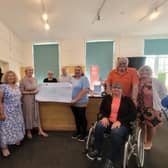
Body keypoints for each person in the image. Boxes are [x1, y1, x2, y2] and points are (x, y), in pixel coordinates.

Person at [86, 83, 137, 168]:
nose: (116, 89)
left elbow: (133, 114)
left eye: (119, 88)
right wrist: (104, 117)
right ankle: (97, 150)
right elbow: (101, 110)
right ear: (111, 89)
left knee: (116, 132)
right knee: (99, 126)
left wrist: (120, 121)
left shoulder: (127, 100)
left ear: (122, 90)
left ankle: (111, 159)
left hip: (123, 124)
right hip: (109, 121)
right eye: (114, 87)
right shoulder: (107, 98)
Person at [137, 65, 167, 150]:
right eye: (142, 70)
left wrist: (164, 104)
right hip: (140, 108)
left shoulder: (156, 82)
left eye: (147, 70)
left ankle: (149, 142)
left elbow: (164, 93)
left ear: (151, 72)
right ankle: (143, 140)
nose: (144, 72)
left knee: (151, 126)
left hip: (153, 108)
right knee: (142, 125)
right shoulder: (138, 82)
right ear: (139, 72)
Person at [0, 71, 25, 157]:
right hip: (7, 111)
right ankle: (4, 147)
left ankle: (15, 139)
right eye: (9, 76)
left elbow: (19, 98)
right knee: (5, 129)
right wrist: (1, 113)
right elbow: (0, 101)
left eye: (13, 76)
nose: (11, 77)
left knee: (16, 126)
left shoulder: (17, 86)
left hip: (17, 111)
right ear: (6, 77)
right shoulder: (3, 87)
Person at [20, 66, 48, 139]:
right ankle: (28, 131)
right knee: (28, 114)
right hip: (27, 99)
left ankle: (40, 130)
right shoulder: (22, 80)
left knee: (36, 113)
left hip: (35, 98)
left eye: (32, 70)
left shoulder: (34, 79)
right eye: (29, 70)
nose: (31, 72)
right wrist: (32, 92)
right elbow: (21, 91)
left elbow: (37, 88)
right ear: (25, 71)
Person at [71, 66, 90, 142]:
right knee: (76, 117)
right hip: (72, 102)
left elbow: (85, 90)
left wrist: (76, 99)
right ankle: (78, 131)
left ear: (81, 71)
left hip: (81, 102)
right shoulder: (71, 79)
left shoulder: (84, 79)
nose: (77, 71)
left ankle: (84, 133)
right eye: (75, 70)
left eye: (78, 70)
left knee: (82, 117)